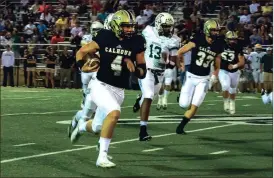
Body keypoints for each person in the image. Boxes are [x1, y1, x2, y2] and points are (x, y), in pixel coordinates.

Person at [70, 10, 147, 168]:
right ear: (116, 25)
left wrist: (134, 69)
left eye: (132, 26)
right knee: (114, 113)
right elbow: (82, 51)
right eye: (126, 27)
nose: (130, 30)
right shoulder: (105, 36)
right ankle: (102, 157)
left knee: (98, 126)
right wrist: (81, 66)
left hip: (119, 90)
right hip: (100, 85)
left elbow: (143, 72)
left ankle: (81, 127)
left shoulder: (137, 41)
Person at [132, 12, 179, 141]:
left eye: (170, 26)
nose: (168, 29)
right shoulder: (148, 31)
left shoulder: (174, 39)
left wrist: (169, 62)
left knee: (151, 95)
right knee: (149, 96)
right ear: (158, 24)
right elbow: (138, 42)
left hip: (160, 73)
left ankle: (139, 99)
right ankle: (143, 131)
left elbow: (173, 62)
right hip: (147, 70)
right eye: (165, 26)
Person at [176, 19, 224, 134]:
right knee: (183, 104)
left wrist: (214, 75)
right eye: (213, 30)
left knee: (196, 104)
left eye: (217, 30)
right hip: (191, 76)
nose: (216, 33)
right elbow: (180, 51)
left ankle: (181, 127)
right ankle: (181, 95)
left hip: (204, 79)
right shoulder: (198, 39)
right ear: (207, 29)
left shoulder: (218, 44)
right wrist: (181, 64)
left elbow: (217, 64)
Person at [218, 31, 245, 114]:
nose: (233, 41)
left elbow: (242, 61)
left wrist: (234, 66)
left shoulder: (238, 47)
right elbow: (217, 57)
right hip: (223, 70)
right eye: (231, 39)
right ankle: (226, 101)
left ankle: (232, 103)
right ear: (227, 39)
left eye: (234, 39)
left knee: (233, 89)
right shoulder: (221, 46)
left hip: (234, 71)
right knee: (225, 86)